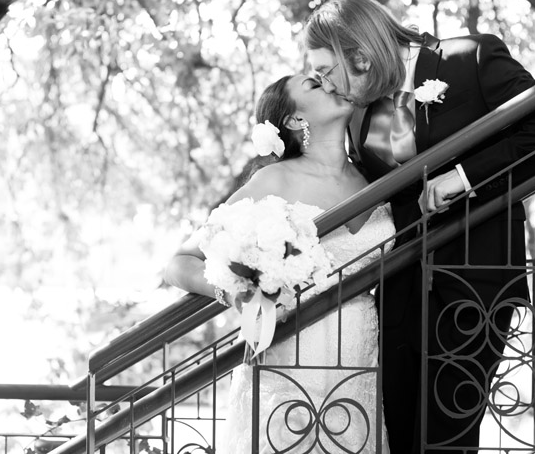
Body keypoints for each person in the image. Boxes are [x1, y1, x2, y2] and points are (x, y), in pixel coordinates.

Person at [302, 0, 535, 454]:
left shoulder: (471, 57)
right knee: (402, 435)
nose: (328, 87)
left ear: (360, 53)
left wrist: (465, 177)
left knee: (448, 438)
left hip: (474, 284)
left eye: (328, 71)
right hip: (399, 292)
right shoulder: (357, 117)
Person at [165, 74, 395, 454]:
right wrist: (234, 291)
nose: (331, 83)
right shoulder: (274, 180)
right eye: (314, 84)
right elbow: (179, 261)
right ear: (293, 120)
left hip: (358, 366)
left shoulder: (373, 174)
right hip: (288, 362)